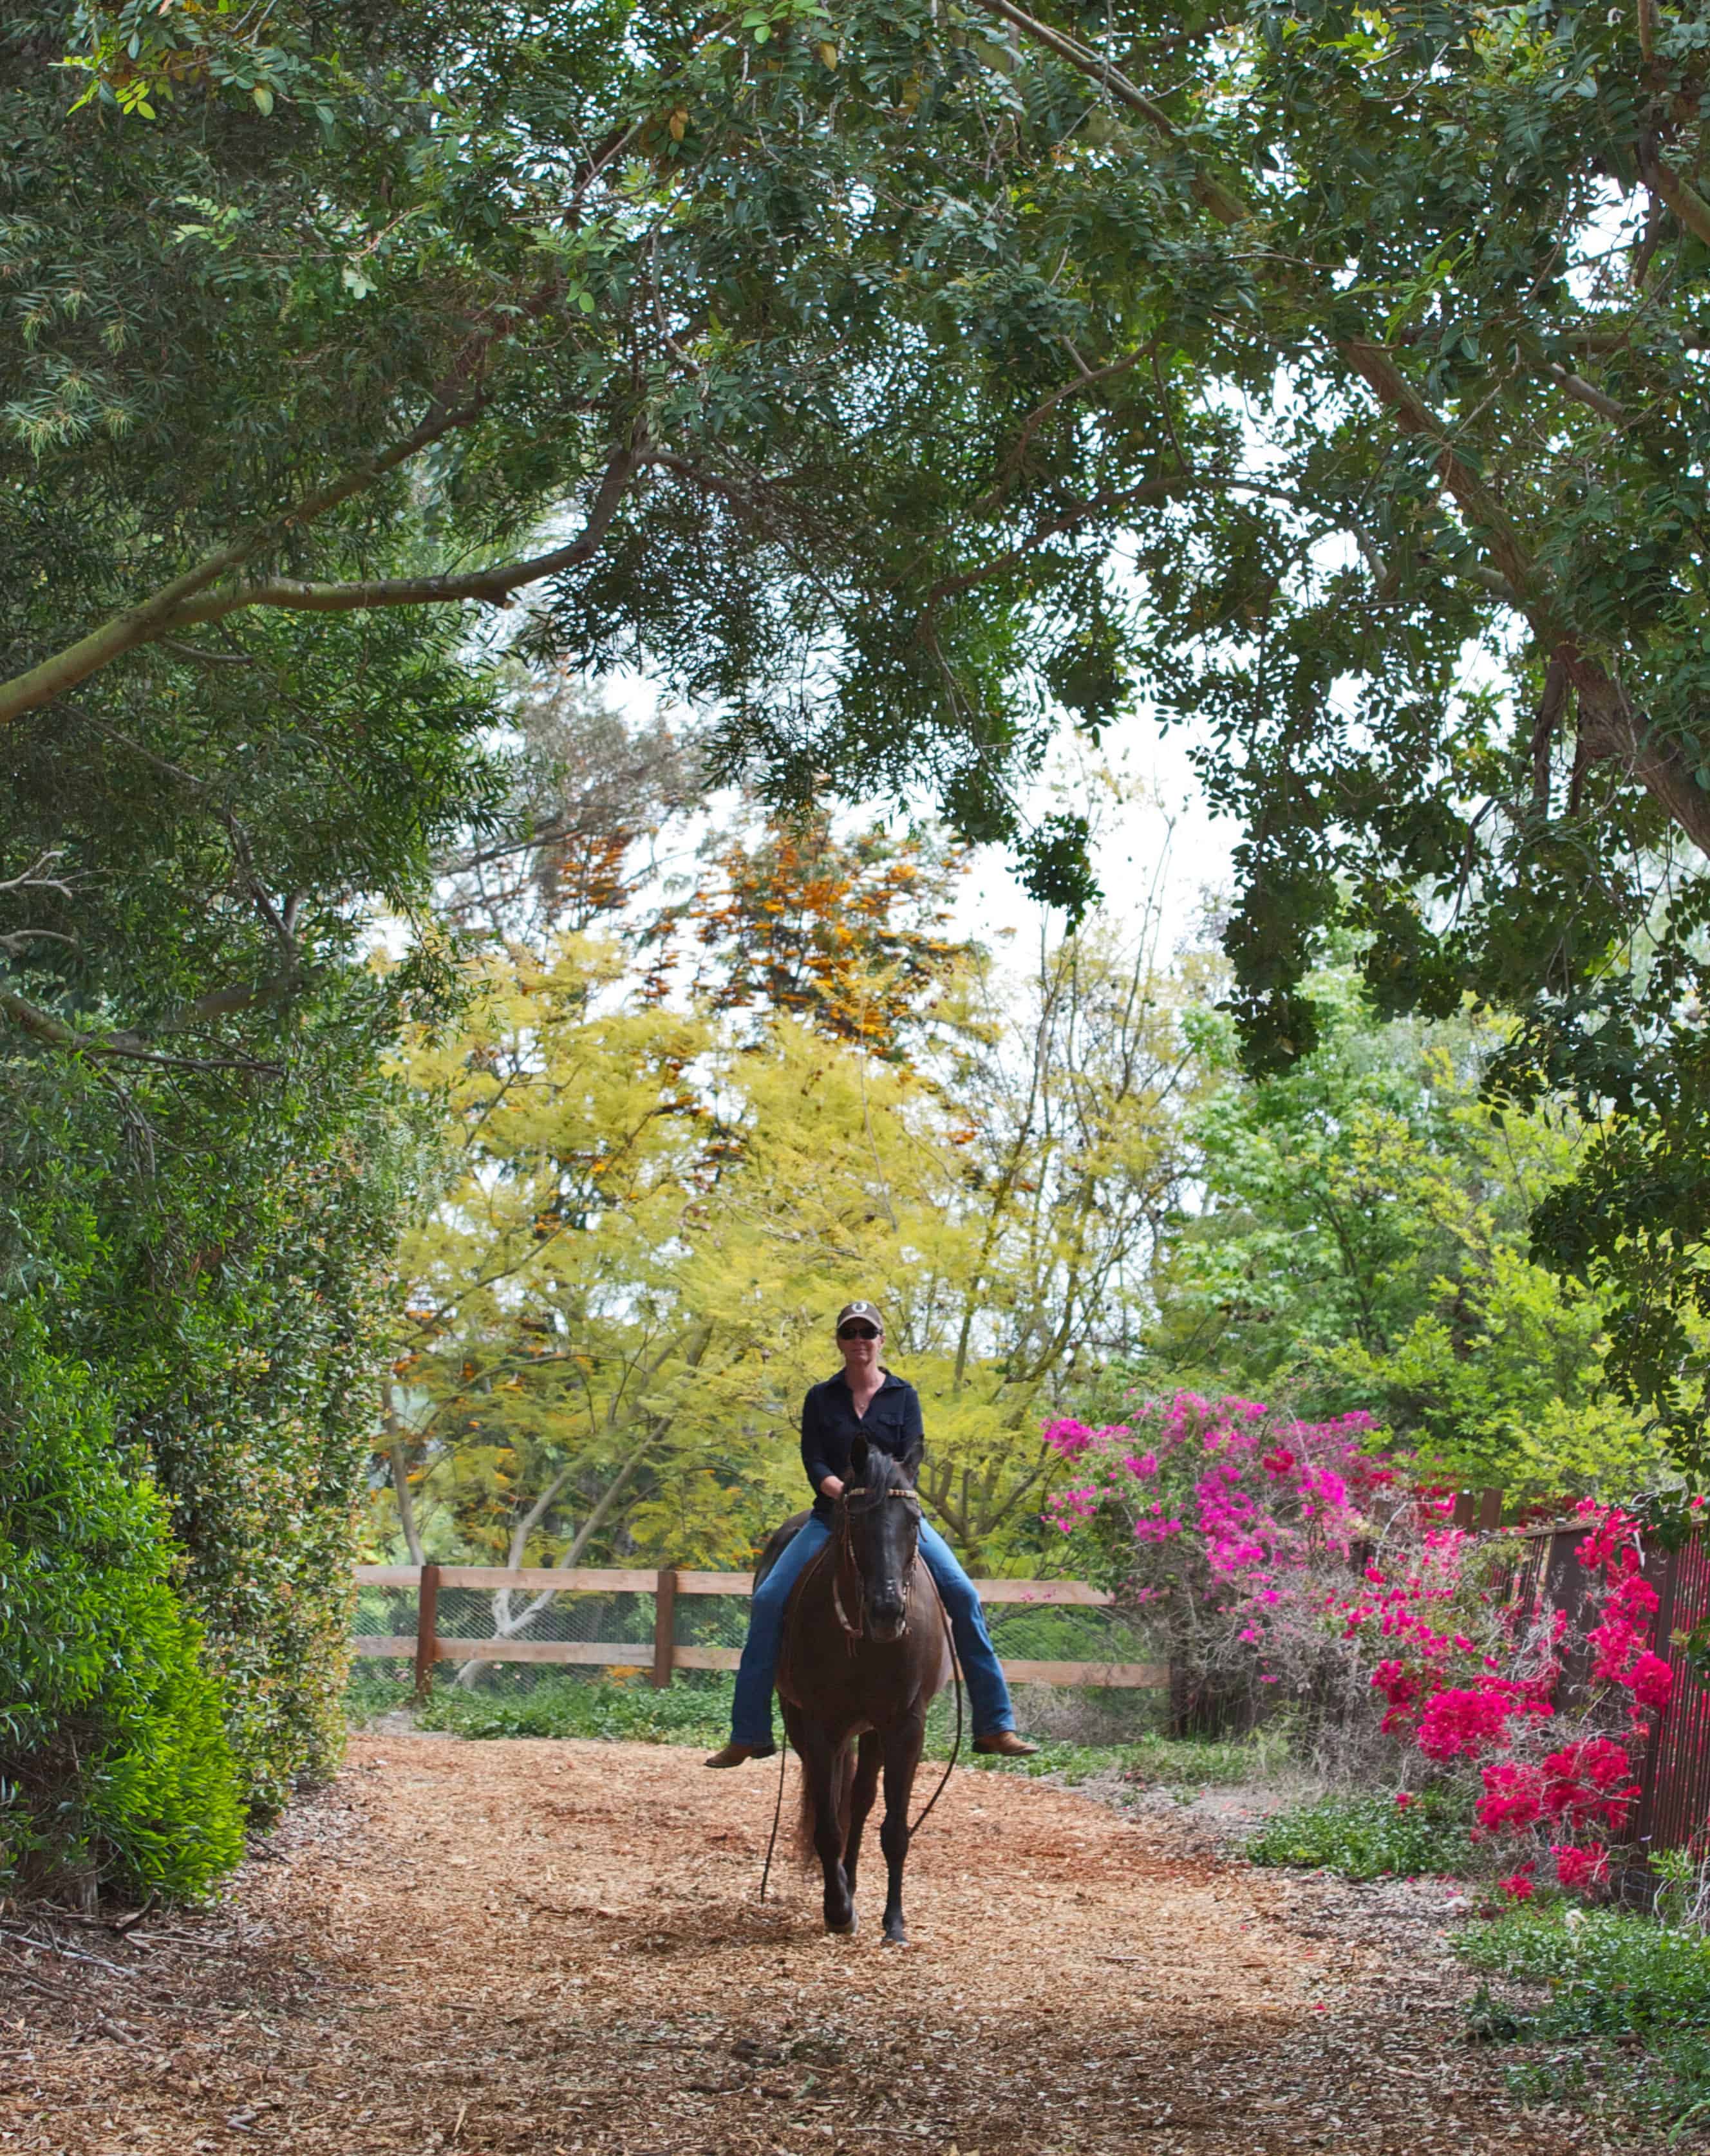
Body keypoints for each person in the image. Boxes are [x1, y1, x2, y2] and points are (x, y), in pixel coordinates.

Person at [704, 1298, 1038, 1767]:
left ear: (880, 1340)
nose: (859, 1340)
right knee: (768, 1599)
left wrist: (880, 1494)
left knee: (963, 1594)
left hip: (896, 1519)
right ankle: (749, 1731)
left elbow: (911, 1456)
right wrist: (840, 1489)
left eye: (867, 1332)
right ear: (840, 1342)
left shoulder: (904, 1395)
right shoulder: (821, 1397)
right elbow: (814, 1458)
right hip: (831, 1517)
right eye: (850, 1333)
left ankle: (995, 1723)